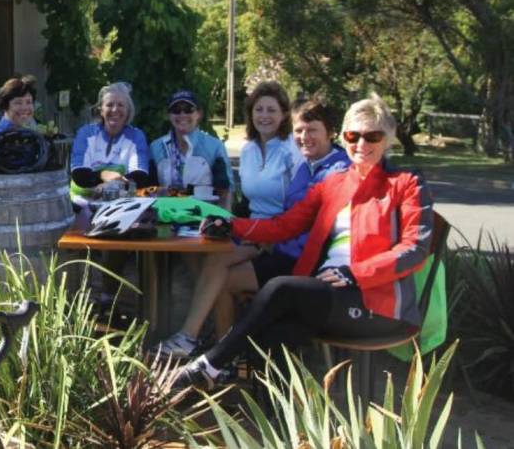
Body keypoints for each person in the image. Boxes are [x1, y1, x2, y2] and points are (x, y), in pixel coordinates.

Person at [175, 94, 434, 390]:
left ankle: (210, 364)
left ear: (387, 139)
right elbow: (284, 225)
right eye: (354, 135)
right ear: (345, 137)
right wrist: (233, 226)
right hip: (328, 294)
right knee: (274, 334)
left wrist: (355, 273)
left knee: (281, 287)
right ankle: (279, 425)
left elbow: (415, 249)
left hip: (377, 304)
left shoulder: (406, 183)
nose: (361, 144)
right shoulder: (334, 183)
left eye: (372, 136)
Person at [156, 94, 349, 358]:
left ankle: (216, 351)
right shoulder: (307, 164)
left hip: (302, 261)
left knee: (218, 273)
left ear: (331, 132)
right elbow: (283, 215)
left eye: (312, 130)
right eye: (300, 131)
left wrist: (250, 234)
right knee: (214, 262)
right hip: (280, 244)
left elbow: (297, 224)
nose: (304, 137)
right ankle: (210, 346)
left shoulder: (335, 171)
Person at [69, 82, 154, 210]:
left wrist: (111, 185)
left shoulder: (136, 136)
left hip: (120, 207)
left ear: (128, 110)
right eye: (109, 105)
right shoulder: (85, 133)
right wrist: (103, 175)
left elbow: (139, 176)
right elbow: (79, 174)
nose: (115, 109)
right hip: (82, 205)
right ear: (101, 110)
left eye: (120, 105)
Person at [149, 90, 233, 204]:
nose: (182, 115)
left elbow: (226, 191)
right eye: (176, 110)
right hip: (166, 218)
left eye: (189, 109)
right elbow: (149, 191)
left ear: (199, 114)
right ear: (169, 115)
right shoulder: (156, 147)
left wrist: (224, 219)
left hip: (205, 218)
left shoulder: (215, 146)